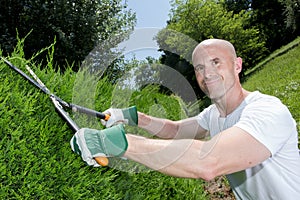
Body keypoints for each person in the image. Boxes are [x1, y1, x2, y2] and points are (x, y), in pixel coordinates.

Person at [70, 39, 300, 199]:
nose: (207, 73)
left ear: (237, 65)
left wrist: (121, 142)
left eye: (215, 62)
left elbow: (209, 162)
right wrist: (131, 117)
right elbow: (175, 130)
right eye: (199, 67)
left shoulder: (267, 111)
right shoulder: (213, 114)